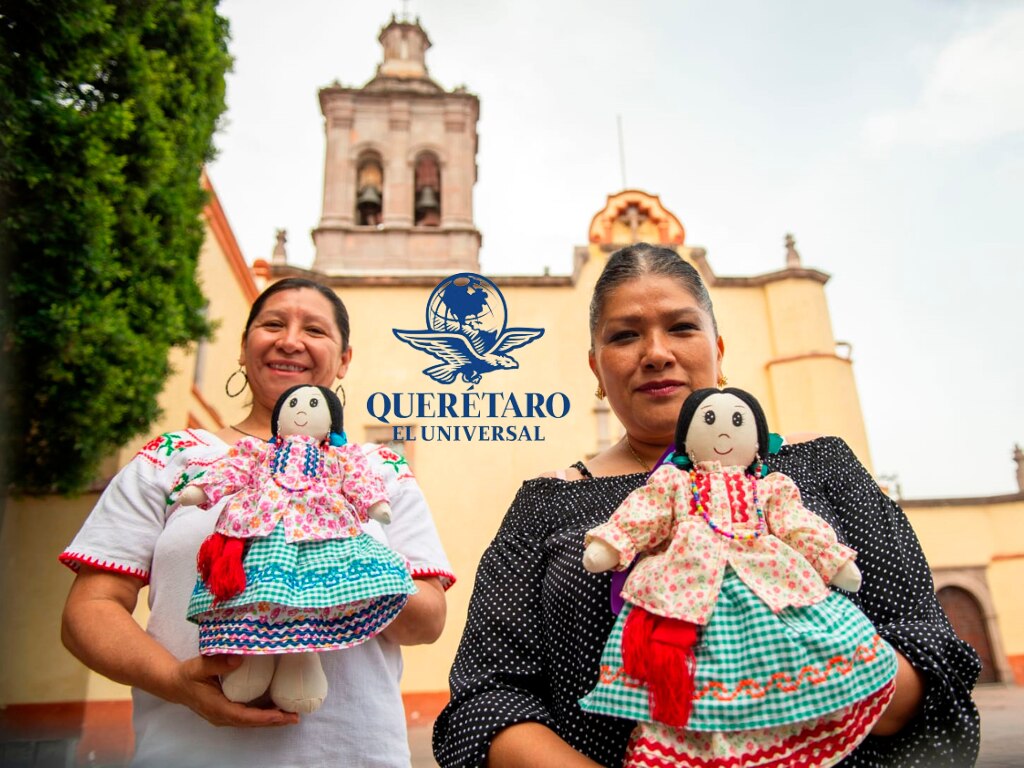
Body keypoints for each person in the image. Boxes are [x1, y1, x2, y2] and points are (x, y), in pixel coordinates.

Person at [432, 243, 980, 767]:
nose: (657, 353)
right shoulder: (545, 505)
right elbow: (485, 699)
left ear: (718, 352)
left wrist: (804, 687)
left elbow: (932, 650)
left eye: (682, 327)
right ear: (597, 369)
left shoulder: (820, 467)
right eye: (625, 336)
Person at [61, 277, 454, 768]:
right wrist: (176, 682)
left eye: (315, 329)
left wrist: (339, 541)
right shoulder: (175, 459)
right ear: (243, 349)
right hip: (187, 755)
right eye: (273, 324)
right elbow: (89, 611)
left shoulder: (376, 471)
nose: (290, 340)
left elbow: (428, 621)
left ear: (344, 359)